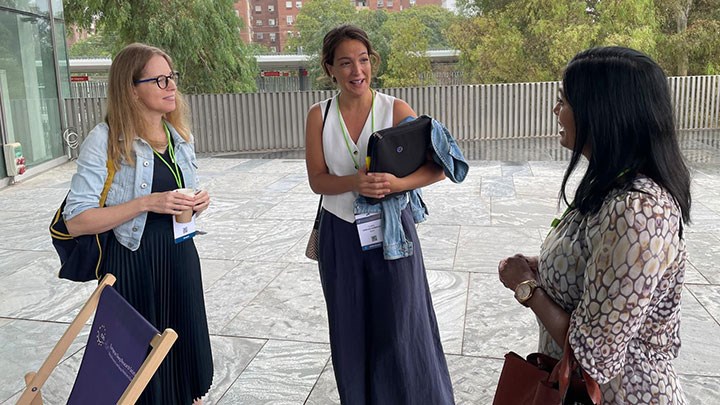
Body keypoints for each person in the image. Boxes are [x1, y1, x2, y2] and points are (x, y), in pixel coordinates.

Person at [498, 46, 691, 404]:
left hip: (623, 395)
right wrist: (547, 270)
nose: (557, 111)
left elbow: (594, 356)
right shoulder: (610, 188)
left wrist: (527, 289)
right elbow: (601, 278)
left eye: (565, 101)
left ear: (604, 112)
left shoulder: (638, 212)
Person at [305, 24, 455, 404]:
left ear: (373, 62)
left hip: (393, 235)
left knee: (402, 327)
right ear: (330, 69)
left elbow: (438, 169)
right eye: (345, 63)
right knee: (349, 327)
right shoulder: (318, 116)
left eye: (363, 60)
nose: (357, 71)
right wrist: (355, 182)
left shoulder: (396, 110)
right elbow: (318, 181)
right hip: (340, 236)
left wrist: (396, 184)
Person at [64, 43, 213, 404]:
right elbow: (77, 221)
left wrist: (193, 206)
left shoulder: (180, 139)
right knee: (137, 370)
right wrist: (147, 203)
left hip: (180, 260)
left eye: (172, 77)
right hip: (133, 264)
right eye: (159, 79)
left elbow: (177, 212)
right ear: (131, 89)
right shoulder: (105, 139)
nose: (171, 86)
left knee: (183, 363)